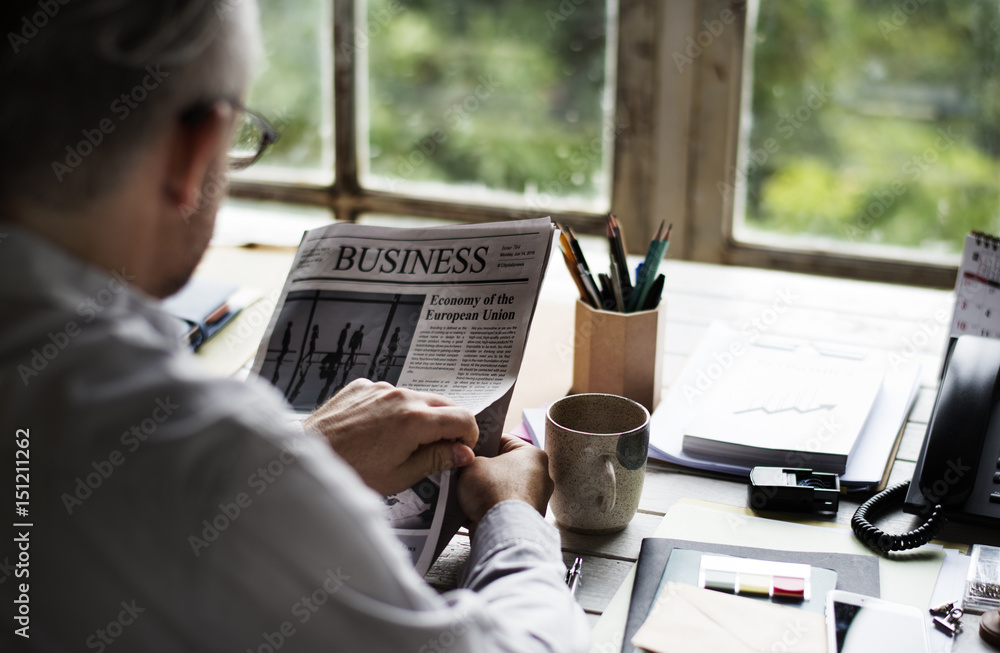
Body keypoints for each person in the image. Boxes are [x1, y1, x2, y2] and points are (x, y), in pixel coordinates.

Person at [0, 1, 589, 651]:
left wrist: (295, 449)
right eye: (241, 139)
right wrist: (513, 519)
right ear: (193, 152)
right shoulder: (201, 456)